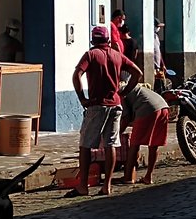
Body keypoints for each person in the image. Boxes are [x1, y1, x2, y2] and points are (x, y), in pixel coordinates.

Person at [68, 26, 142, 197]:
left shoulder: (91, 55)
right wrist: (123, 92)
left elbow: (76, 75)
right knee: (111, 144)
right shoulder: (117, 55)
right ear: (108, 40)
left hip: (97, 105)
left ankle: (83, 186)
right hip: (115, 105)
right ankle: (107, 185)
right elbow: (137, 73)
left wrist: (82, 98)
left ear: (93, 40)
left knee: (85, 145)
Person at [116, 84, 169, 188]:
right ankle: (148, 176)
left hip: (147, 108)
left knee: (134, 145)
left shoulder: (119, 93)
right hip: (163, 107)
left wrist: (117, 134)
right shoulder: (132, 88)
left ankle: (128, 177)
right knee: (154, 144)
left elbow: (126, 118)